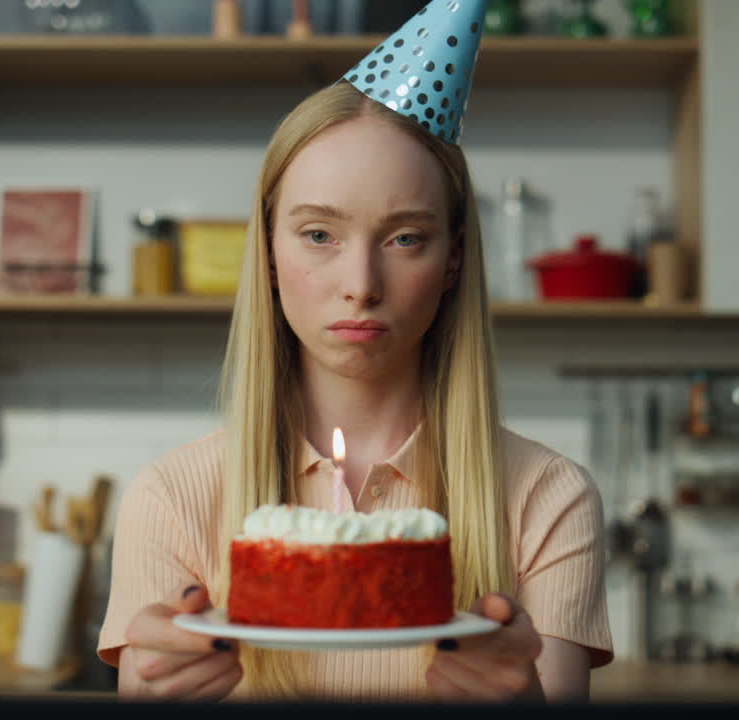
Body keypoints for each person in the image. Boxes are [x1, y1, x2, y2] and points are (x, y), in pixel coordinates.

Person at [97, 0, 612, 703]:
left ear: (455, 258)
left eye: (405, 238)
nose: (362, 286)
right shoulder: (172, 497)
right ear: (270, 254)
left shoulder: (547, 499)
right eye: (318, 235)